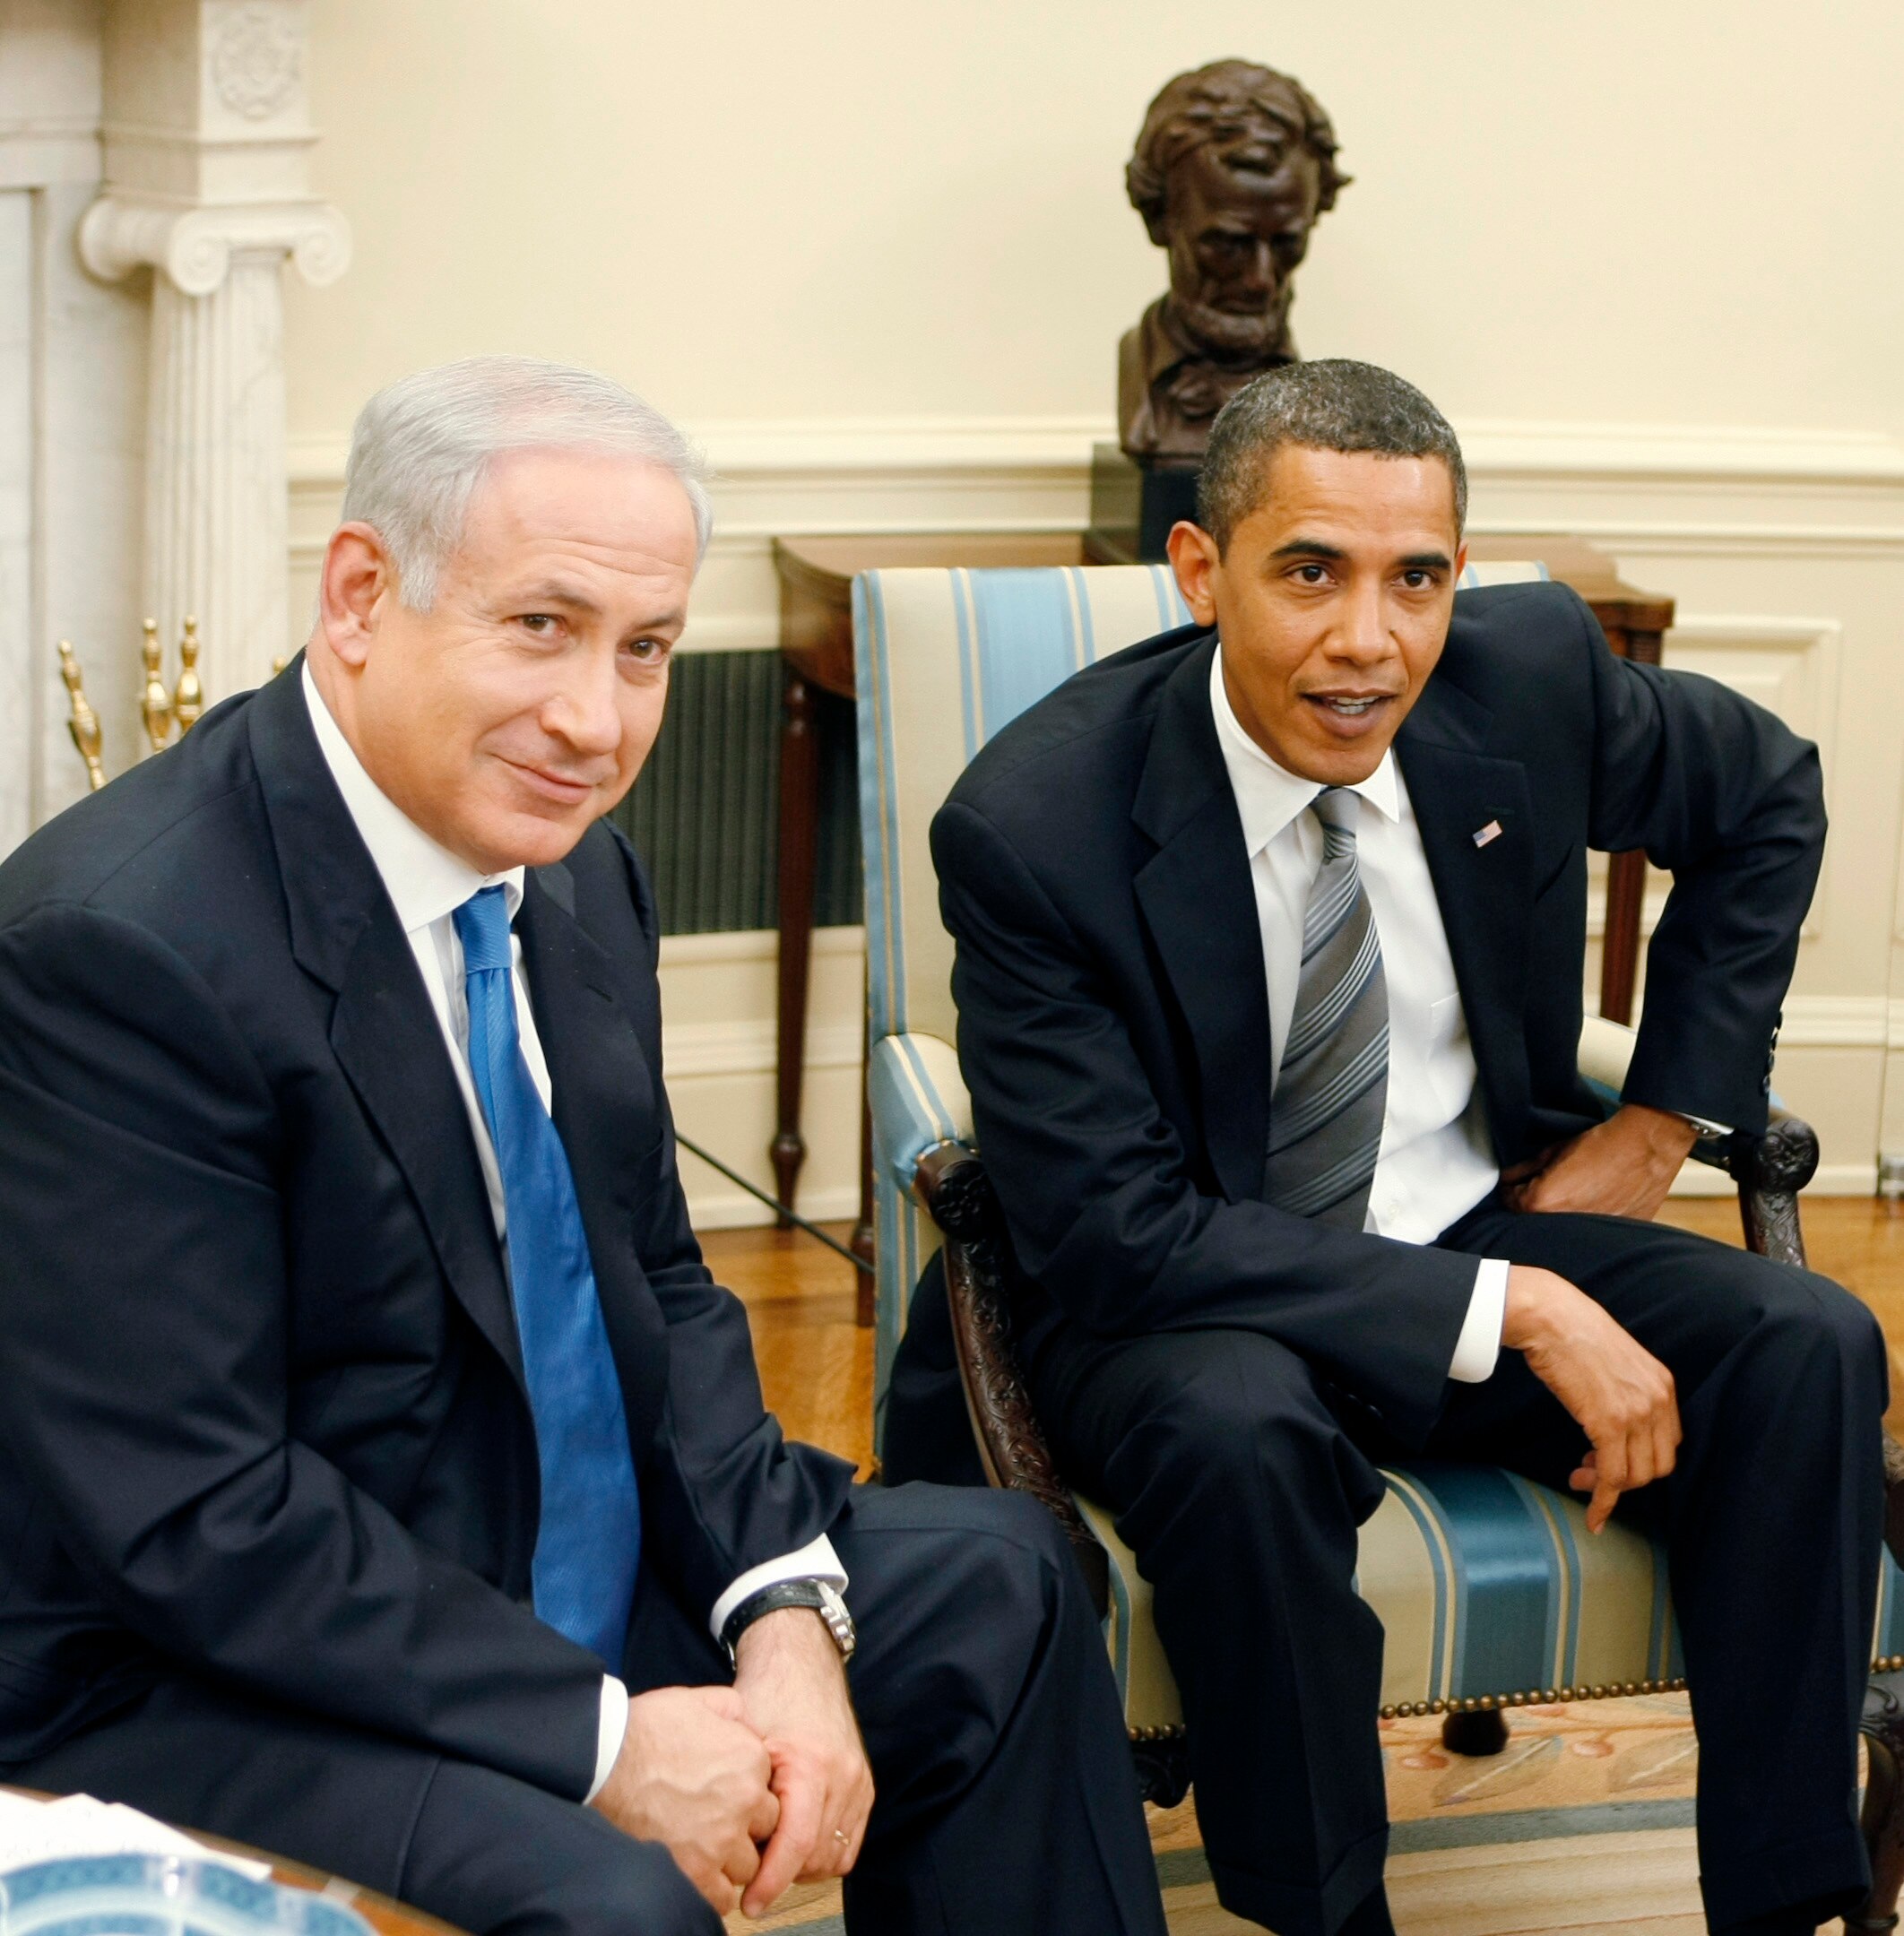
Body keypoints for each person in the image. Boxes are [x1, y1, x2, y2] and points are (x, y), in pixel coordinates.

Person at [0, 357, 1168, 1936]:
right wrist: (608, 1740)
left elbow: (662, 1287)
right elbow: (197, 1515)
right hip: (212, 1659)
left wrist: (778, 1617)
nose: (594, 719)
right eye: (539, 627)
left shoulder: (573, 877)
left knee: (1000, 1590)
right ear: (359, 595)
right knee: (617, 1902)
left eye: (646, 651)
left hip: (536, 1536)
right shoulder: (116, 949)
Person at [901, 359, 1886, 1936]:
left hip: (1459, 1219)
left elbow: (1764, 791)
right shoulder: (1035, 826)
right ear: (1197, 570)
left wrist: (1656, 1120)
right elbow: (1115, 1234)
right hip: (1174, 1298)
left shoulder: (1522, 682)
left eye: (1412, 578)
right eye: (1309, 573)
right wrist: (1529, 1313)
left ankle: (1783, 1904)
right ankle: (1322, 1914)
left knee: (1806, 1344)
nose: (1369, 640)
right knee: (1239, 1440)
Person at [1119, 59, 1348, 462]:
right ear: (1159, 219)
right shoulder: (1142, 382)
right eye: (1228, 246)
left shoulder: (1308, 404)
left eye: (1286, 244)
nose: (1260, 280)